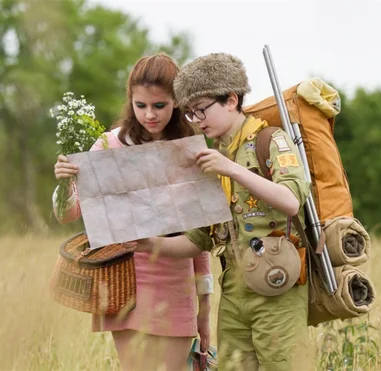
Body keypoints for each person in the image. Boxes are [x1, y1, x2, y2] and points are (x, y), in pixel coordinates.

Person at [125, 53, 311, 371]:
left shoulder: (271, 141)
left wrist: (233, 169)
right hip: (235, 294)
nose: (197, 120)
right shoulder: (213, 159)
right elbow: (198, 239)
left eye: (202, 110)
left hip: (277, 286)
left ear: (231, 100)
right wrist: (148, 244)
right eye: (191, 113)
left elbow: (291, 200)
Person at [52, 53, 213, 371]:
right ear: (130, 101)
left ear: (177, 102)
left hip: (175, 283)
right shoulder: (110, 144)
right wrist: (63, 185)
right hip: (123, 279)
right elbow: (68, 214)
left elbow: (200, 239)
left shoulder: (191, 148)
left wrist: (205, 309)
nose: (149, 115)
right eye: (141, 106)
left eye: (159, 106)